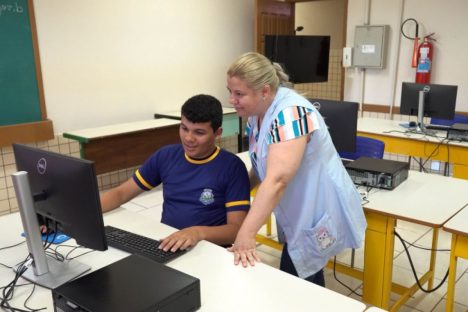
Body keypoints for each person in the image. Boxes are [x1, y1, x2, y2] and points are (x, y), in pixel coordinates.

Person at [226, 52, 366, 286]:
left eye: (239, 94)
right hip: (299, 207)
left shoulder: (291, 113)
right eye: (230, 91)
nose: (232, 99)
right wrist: (235, 191)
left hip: (317, 208)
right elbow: (262, 164)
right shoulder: (257, 114)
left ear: (265, 91)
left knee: (298, 278)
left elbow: (278, 179)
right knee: (304, 275)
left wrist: (247, 234)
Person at [101, 94, 250, 252]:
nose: (188, 138)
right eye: (184, 128)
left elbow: (236, 230)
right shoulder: (166, 156)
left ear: (218, 133)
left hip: (209, 250)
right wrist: (86, 214)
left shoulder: (232, 167)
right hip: (167, 244)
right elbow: (121, 193)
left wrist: (197, 232)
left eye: (199, 132)